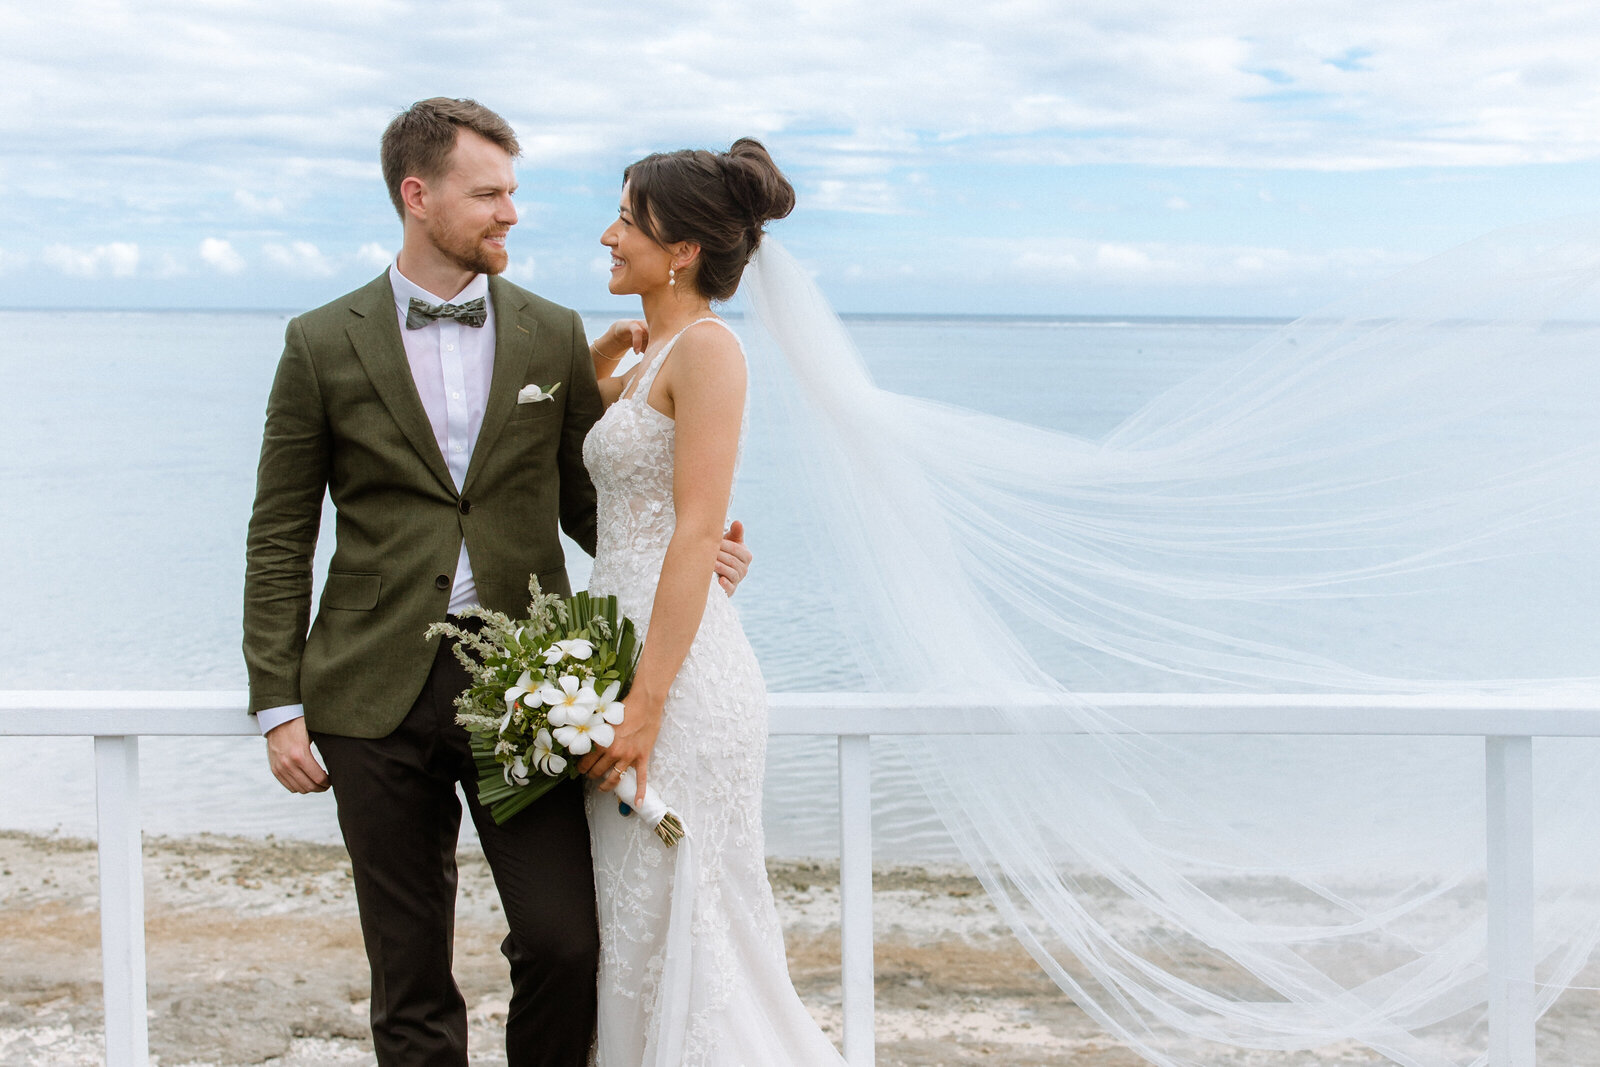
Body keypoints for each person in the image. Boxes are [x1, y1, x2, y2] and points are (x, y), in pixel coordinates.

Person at [242, 97, 752, 1067]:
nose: (511, 211)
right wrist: (276, 699)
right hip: (365, 692)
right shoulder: (319, 340)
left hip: (527, 685)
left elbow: (590, 496)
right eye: (488, 193)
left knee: (564, 942)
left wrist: (696, 559)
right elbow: (279, 531)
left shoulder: (553, 333)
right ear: (417, 194)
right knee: (409, 969)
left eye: (512, 190)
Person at [572, 139, 848, 1065]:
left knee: (694, 929)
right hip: (626, 661)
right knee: (640, 933)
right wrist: (607, 347)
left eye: (627, 219)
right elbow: (547, 440)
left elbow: (696, 532)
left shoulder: (712, 351)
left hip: (677, 687)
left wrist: (644, 705)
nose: (609, 235)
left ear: (682, 247)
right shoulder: (651, 357)